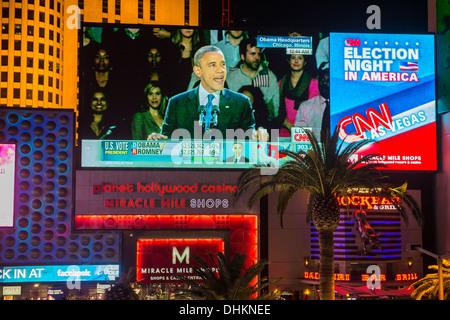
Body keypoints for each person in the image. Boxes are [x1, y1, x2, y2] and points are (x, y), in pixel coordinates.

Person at [148, 45, 268, 142]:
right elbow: (166, 142)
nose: (220, 70)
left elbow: (249, 140)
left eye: (223, 64)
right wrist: (157, 139)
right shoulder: (177, 103)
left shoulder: (241, 103)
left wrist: (257, 136)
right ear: (198, 71)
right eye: (212, 65)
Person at [226, 38, 280, 126]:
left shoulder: (270, 77)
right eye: (253, 54)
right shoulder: (232, 78)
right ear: (243, 56)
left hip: (264, 125)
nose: (257, 58)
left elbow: (275, 109)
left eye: (259, 54)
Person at [278, 54, 319, 137]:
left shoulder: (313, 84)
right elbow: (276, 109)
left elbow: (314, 112)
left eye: (300, 58)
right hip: (285, 130)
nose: (296, 61)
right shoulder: (281, 83)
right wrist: (289, 126)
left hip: (306, 131)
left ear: (305, 62)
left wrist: (297, 130)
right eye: (293, 58)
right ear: (289, 61)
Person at [294, 65, 330, 140]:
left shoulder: (341, 107)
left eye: (328, 81)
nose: (324, 84)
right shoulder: (305, 106)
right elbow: (299, 138)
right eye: (322, 80)